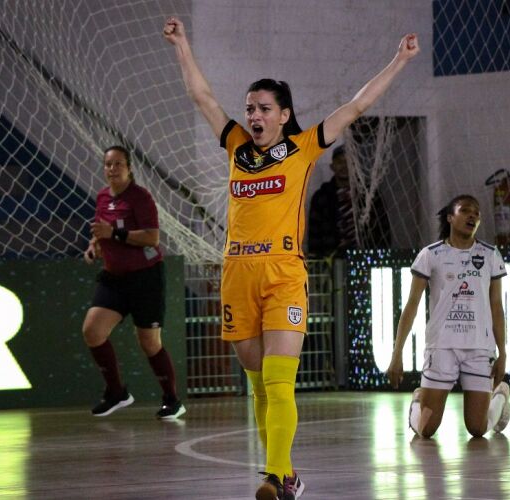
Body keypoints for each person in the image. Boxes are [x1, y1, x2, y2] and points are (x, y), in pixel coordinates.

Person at [163, 17, 418, 500]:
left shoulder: (304, 147)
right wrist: (181, 45)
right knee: (259, 387)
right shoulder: (237, 145)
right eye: (249, 108)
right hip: (237, 272)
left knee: (280, 384)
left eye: (263, 108)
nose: (253, 115)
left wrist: (400, 60)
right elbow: (203, 98)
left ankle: (274, 476)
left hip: (283, 273)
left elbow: (359, 104)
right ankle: (289, 477)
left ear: (283, 115)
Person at [386, 194, 510, 439]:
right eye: (465, 210)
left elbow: (497, 307)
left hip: (478, 349)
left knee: (477, 429)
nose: (473, 215)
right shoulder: (430, 254)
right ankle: (418, 400)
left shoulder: (490, 255)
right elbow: (412, 305)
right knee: (425, 430)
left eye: (476, 212)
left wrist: (503, 353)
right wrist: (397, 353)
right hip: (441, 347)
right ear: (450, 218)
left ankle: (500, 396)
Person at [82, 145, 186, 420]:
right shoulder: (103, 197)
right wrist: (94, 246)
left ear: (129, 168)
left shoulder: (140, 198)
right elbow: (100, 231)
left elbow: (152, 238)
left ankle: (172, 400)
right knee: (92, 331)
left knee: (149, 342)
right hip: (114, 278)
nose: (112, 169)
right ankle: (116, 392)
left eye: (118, 164)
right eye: (108, 164)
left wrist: (114, 233)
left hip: (145, 278)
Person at [307, 144, 391, 257]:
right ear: (332, 166)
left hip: (366, 257)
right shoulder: (321, 197)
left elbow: (383, 228)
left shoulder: (369, 196)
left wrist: (382, 255)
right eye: (339, 162)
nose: (344, 166)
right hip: (331, 258)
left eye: (349, 162)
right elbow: (314, 233)